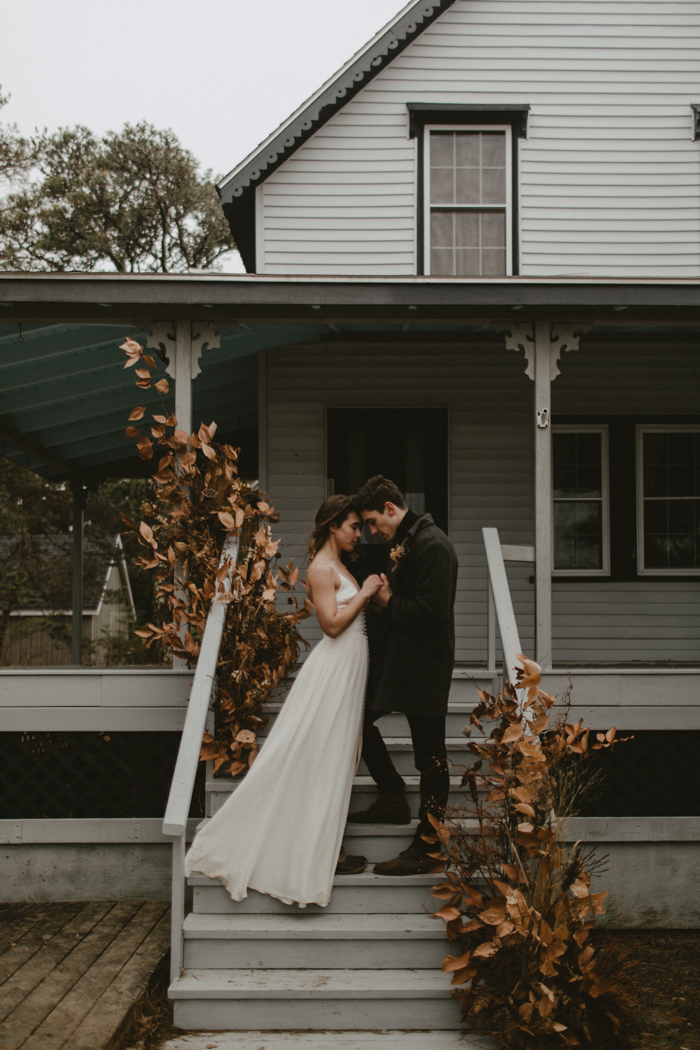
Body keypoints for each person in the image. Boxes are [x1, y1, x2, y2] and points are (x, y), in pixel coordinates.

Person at [184, 495, 383, 908]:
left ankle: (324, 845)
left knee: (338, 756)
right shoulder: (321, 568)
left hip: (350, 668)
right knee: (323, 754)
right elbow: (330, 626)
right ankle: (312, 851)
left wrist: (373, 591)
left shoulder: (341, 565)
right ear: (333, 526)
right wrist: (363, 594)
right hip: (333, 668)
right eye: (352, 526)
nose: (357, 533)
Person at [347, 475, 458, 876]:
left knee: (431, 756)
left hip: (426, 664)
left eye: (374, 522)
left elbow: (432, 614)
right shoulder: (411, 542)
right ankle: (393, 795)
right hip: (402, 661)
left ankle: (428, 845)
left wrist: (390, 601)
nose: (373, 532)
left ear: (391, 509)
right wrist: (385, 606)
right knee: (359, 721)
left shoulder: (433, 545)